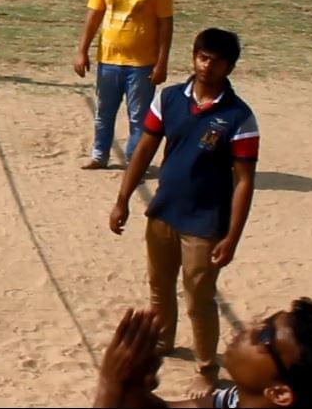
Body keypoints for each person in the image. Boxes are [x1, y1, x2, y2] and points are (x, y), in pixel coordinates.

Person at [108, 28, 258, 397]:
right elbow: (144, 148)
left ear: (230, 66)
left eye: (216, 60)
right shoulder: (170, 98)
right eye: (202, 56)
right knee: (159, 287)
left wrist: (232, 237)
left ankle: (207, 367)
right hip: (163, 211)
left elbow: (244, 182)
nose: (207, 65)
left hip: (205, 223)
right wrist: (123, 198)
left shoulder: (239, 116)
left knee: (199, 298)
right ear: (193, 56)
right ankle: (163, 342)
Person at [93, 300, 312, 407]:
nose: (251, 329)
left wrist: (109, 388)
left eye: (265, 336)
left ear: (280, 392)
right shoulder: (238, 400)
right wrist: (134, 388)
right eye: (265, 321)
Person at [74, 0, 174, 169]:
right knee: (104, 112)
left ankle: (134, 161)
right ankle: (99, 155)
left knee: (139, 118)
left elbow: (166, 26)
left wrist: (161, 63)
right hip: (108, 60)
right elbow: (94, 14)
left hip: (141, 65)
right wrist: (81, 50)